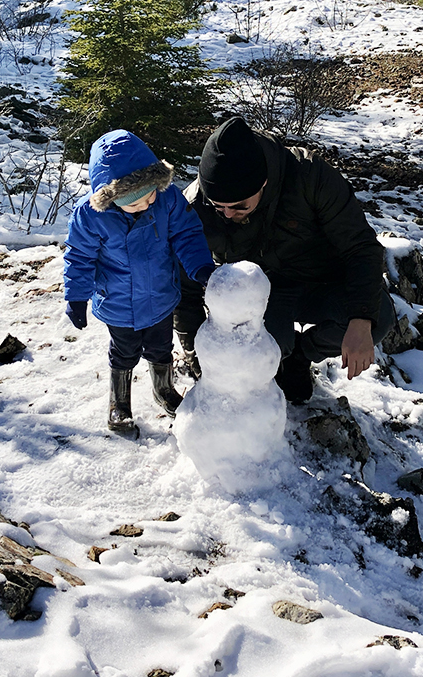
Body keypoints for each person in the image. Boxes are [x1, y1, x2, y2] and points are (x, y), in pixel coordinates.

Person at [175, 116, 395, 403]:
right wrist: (196, 352)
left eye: (239, 205)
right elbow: (184, 286)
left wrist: (361, 320)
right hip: (263, 297)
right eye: (219, 207)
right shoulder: (193, 207)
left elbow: (361, 247)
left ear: (263, 182)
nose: (227, 214)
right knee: (258, 357)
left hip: (322, 282)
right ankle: (279, 359)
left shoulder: (310, 177)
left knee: (378, 319)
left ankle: (302, 355)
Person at [64, 130, 214, 438]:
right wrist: (76, 296)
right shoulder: (91, 216)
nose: (148, 203)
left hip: (160, 296)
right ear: (115, 198)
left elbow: (187, 233)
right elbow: (78, 257)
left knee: (161, 347)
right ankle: (119, 403)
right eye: (138, 202)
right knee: (124, 351)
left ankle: (163, 389)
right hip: (119, 302)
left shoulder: (167, 199)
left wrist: (200, 267)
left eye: (152, 195)